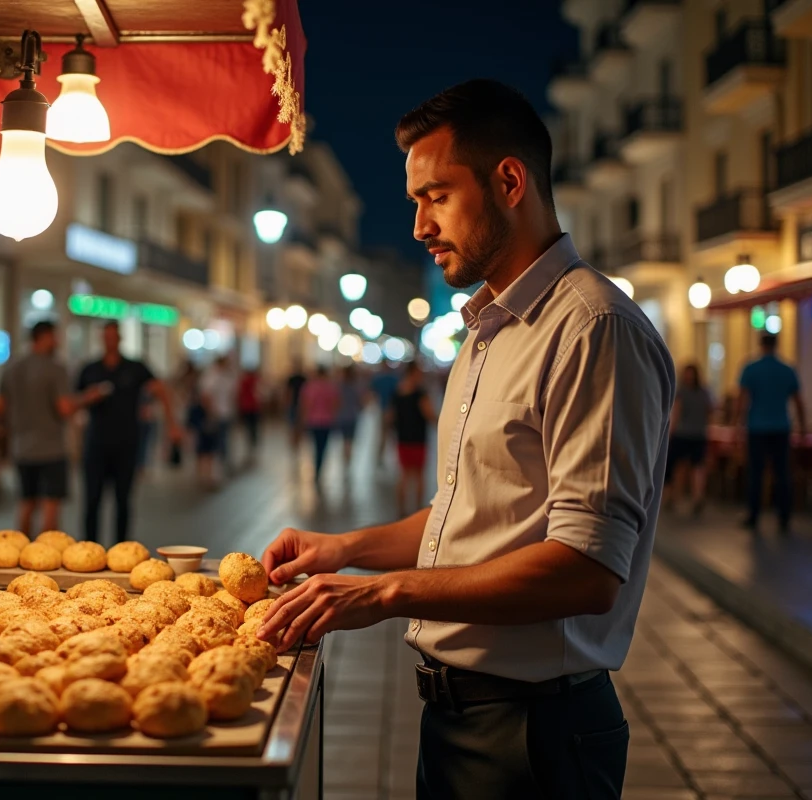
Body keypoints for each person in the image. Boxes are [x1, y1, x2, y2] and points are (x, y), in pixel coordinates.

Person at [257, 80, 674, 799]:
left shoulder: (591, 328)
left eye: (437, 196)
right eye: (417, 201)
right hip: (459, 717)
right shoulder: (486, 333)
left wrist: (383, 595)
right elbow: (468, 517)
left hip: (534, 733)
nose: (419, 225)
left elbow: (587, 571)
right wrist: (347, 550)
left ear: (508, 180)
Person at [77, 321, 180, 544]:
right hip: (96, 444)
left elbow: (161, 390)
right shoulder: (90, 369)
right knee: (92, 500)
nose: (110, 340)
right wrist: (89, 397)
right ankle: (90, 548)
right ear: (101, 339)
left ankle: (121, 549)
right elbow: (72, 402)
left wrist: (172, 425)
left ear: (119, 338)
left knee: (123, 500)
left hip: (126, 443)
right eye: (106, 336)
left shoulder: (134, 367)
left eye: (113, 336)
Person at [0, 321, 75, 538]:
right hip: (51, 448)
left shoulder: (11, 368)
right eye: (55, 336)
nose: (57, 342)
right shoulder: (55, 368)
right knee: (50, 505)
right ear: (44, 337)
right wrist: (88, 399)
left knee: (26, 502)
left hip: (21, 447)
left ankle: (22, 550)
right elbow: (65, 408)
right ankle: (45, 555)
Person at [736, 334, 805, 534]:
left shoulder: (751, 368)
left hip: (757, 427)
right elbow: (798, 401)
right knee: (782, 472)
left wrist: (738, 425)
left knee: (756, 473)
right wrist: (802, 427)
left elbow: (742, 399)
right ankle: (784, 516)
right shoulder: (787, 369)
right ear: (776, 345)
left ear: (761, 345)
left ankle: (753, 515)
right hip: (781, 427)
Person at [665, 364, 713, 516]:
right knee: (697, 467)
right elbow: (710, 412)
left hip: (682, 433)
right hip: (699, 434)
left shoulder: (681, 392)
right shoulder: (704, 392)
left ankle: (672, 497)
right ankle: (697, 497)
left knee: (676, 467)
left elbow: (676, 414)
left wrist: (669, 433)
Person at [391, 361, 435, 515]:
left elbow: (390, 416)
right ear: (413, 373)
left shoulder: (398, 391)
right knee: (419, 475)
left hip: (402, 438)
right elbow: (429, 414)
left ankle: (401, 510)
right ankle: (417, 510)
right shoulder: (420, 393)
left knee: (403, 475)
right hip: (418, 439)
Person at [298, 365, 340, 485]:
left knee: (315, 446)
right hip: (326, 421)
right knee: (323, 447)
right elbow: (335, 404)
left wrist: (302, 420)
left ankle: (317, 468)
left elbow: (305, 405)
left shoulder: (309, 387)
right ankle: (319, 467)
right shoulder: (331, 387)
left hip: (313, 421)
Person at [198, 356, 239, 474]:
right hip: (216, 414)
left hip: (226, 413)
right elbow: (206, 396)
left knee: (224, 441)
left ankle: (223, 466)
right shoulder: (211, 377)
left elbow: (231, 395)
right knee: (214, 444)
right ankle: (214, 470)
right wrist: (211, 413)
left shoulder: (227, 377)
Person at [370, 362, 400, 466]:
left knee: (385, 435)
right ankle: (387, 457)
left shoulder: (381, 379)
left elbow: (373, 393)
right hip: (390, 410)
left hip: (387, 409)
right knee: (389, 435)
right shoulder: (392, 379)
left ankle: (382, 457)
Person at [335, 366, 365, 470]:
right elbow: (361, 402)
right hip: (352, 416)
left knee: (345, 440)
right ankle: (348, 459)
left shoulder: (340, 387)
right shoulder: (356, 387)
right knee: (349, 440)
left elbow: (336, 402)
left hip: (343, 416)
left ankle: (346, 459)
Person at [238, 368, 263, 464]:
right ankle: (252, 448)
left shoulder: (245, 381)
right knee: (253, 429)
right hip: (252, 407)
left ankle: (251, 448)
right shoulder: (254, 381)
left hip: (248, 407)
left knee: (250, 429)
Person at [285, 360, 307, 451]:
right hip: (295, 404)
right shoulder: (293, 379)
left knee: (295, 425)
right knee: (294, 425)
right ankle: (295, 442)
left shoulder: (303, 378)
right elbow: (289, 392)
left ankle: (296, 442)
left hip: (298, 404)